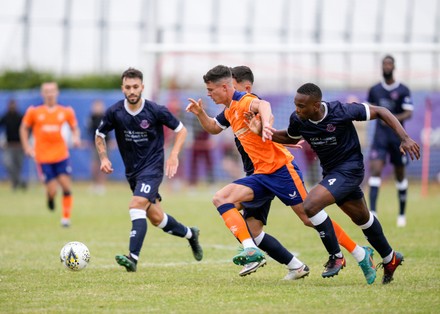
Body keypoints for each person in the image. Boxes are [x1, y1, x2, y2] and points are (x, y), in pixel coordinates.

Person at [186, 65, 376, 284]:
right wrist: (200, 114)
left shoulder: (246, 101)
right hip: (260, 175)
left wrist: (266, 124)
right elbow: (213, 127)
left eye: (211, 89)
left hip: (281, 170)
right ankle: (266, 256)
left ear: (225, 87)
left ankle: (360, 253)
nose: (208, 94)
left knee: (309, 217)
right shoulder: (229, 111)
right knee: (224, 201)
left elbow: (263, 104)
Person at [253, 82, 419, 284]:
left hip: (351, 169)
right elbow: (289, 136)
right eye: (296, 104)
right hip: (332, 173)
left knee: (310, 205)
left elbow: (382, 111)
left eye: (301, 106)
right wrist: (262, 130)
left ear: (316, 105)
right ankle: (390, 257)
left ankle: (336, 256)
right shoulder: (299, 119)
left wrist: (405, 138)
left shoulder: (341, 111)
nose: (297, 109)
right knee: (363, 219)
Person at [95, 67, 203, 272]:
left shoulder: (155, 110)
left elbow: (181, 130)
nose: (132, 91)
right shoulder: (115, 112)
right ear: (122, 89)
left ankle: (132, 258)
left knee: (136, 206)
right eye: (128, 87)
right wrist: (103, 158)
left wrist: (173, 155)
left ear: (142, 87)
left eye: (136, 87)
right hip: (133, 173)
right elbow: (99, 134)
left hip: (152, 169)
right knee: (156, 218)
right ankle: (191, 234)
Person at [19, 82, 81, 227]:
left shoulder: (66, 111)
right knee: (52, 190)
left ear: (57, 92)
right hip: (43, 157)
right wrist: (27, 147)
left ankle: (66, 219)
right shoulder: (34, 112)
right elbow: (23, 128)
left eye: (52, 91)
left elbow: (74, 127)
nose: (50, 93)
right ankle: (50, 198)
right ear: (42, 94)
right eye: (46, 91)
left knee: (66, 186)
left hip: (61, 155)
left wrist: (76, 138)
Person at [367, 55, 414, 227]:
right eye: (384, 64)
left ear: (394, 67)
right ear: (381, 67)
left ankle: (401, 214)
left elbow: (409, 112)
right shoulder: (374, 89)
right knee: (375, 170)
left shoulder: (403, 90)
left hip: (398, 138)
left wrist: (391, 118)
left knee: (400, 174)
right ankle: (373, 213)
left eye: (389, 64)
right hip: (380, 137)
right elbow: (369, 110)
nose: (387, 66)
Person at [0, 99, 27, 190]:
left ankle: (15, 184)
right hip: (9, 145)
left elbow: (26, 129)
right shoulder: (5, 116)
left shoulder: (20, 117)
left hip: (19, 145)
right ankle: (19, 181)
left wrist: (26, 142)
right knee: (8, 164)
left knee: (18, 165)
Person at [87, 99, 109, 195]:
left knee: (105, 164)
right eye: (96, 106)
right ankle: (95, 184)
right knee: (94, 165)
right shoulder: (91, 118)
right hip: (94, 144)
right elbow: (89, 131)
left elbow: (108, 132)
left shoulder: (105, 117)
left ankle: (101, 185)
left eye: (99, 106)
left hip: (104, 144)